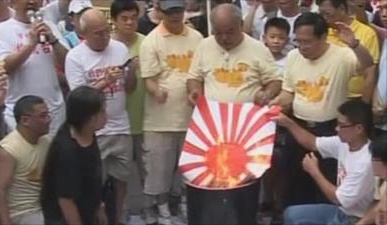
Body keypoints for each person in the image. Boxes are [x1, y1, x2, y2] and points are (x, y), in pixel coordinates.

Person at [186, 3, 281, 225]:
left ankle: (245, 217)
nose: (223, 38)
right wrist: (194, 91)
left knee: (244, 180)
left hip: (246, 130)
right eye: (218, 32)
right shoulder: (205, 46)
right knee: (213, 179)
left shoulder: (258, 48)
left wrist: (267, 93)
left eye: (229, 32)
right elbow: (194, 76)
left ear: (240, 25)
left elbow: (275, 80)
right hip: (212, 128)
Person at [271, 12, 374, 207]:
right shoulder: (293, 57)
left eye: (307, 42)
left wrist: (354, 44)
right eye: (298, 41)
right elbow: (288, 92)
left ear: (323, 37)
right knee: (294, 179)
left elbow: (368, 66)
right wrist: (277, 102)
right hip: (298, 125)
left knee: (325, 180)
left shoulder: (342, 55)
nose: (302, 47)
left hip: (331, 129)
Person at [65, 8, 136, 225]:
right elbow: (80, 98)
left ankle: (118, 217)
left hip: (121, 125)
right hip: (95, 130)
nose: (105, 36)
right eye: (98, 33)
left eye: (107, 30)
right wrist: (105, 81)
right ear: (84, 34)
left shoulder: (120, 48)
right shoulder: (75, 57)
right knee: (95, 180)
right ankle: (96, 217)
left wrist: (131, 72)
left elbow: (130, 88)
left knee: (122, 178)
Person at [139, 0, 203, 224]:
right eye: (169, 12)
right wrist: (156, 91)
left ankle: (184, 202)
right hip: (161, 119)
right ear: (159, 12)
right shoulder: (151, 41)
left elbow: (202, 72)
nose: (175, 16)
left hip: (192, 117)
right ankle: (160, 206)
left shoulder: (197, 38)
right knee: (160, 167)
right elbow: (148, 80)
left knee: (188, 166)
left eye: (178, 10)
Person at [277, 99, 374, 224]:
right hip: (340, 211)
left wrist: (314, 171)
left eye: (341, 125)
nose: (336, 128)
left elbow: (338, 199)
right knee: (291, 214)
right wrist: (288, 123)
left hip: (353, 218)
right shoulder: (344, 143)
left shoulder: (365, 162)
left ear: (359, 128)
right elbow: (312, 142)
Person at [0, 0, 68, 136]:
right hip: (22, 114)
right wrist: (30, 44)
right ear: (13, 2)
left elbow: (67, 62)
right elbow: (5, 67)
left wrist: (54, 41)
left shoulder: (49, 26)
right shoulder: (1, 30)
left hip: (55, 111)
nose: (32, 2)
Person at [41, 86, 107, 225]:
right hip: (64, 217)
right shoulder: (67, 150)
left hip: (87, 207)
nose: (106, 115)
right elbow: (66, 200)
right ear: (89, 118)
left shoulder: (87, 132)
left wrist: (99, 206)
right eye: (102, 111)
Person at [0, 95, 51, 225]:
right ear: (25, 120)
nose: (48, 120)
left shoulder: (46, 141)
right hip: (19, 214)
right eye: (43, 116)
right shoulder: (7, 150)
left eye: (48, 115)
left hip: (42, 207)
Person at [111, 0, 146, 189]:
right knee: (121, 170)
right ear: (114, 20)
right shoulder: (108, 45)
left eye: (133, 18)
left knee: (146, 167)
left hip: (145, 116)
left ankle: (150, 206)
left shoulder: (147, 42)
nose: (129, 23)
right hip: (118, 121)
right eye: (124, 18)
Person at [318, 0, 379, 102]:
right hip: (325, 96)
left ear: (342, 8)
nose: (324, 18)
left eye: (328, 14)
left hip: (355, 98)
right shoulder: (323, 33)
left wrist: (364, 104)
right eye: (321, 14)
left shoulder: (367, 33)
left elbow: (371, 72)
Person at [373, 0, 387, 139]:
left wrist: (383, 109)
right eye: (381, 9)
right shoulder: (386, 41)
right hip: (380, 123)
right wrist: (375, 106)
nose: (384, 14)